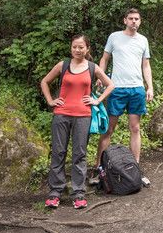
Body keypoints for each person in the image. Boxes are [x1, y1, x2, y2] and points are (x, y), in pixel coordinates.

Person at [40, 34, 114, 209]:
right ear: (71, 48)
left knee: (79, 154)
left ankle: (78, 193)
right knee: (58, 152)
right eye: (74, 47)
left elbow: (110, 85)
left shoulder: (92, 67)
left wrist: (97, 100)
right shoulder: (62, 65)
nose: (77, 50)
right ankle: (55, 192)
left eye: (81, 47)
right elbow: (44, 81)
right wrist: (51, 101)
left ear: (87, 49)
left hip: (83, 115)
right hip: (61, 114)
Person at [96, 8, 154, 170]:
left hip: (136, 89)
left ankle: (135, 166)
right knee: (109, 129)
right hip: (117, 89)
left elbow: (146, 65)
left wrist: (150, 86)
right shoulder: (114, 37)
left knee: (135, 128)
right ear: (125, 20)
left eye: (136, 19)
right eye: (130, 18)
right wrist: (101, 77)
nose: (133, 21)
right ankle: (99, 167)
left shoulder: (143, 40)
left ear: (140, 21)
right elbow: (104, 58)